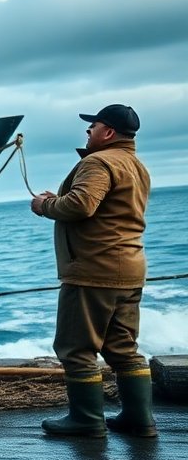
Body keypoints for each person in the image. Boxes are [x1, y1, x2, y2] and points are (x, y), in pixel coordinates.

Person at [31, 104, 153, 438]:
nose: (88, 132)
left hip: (94, 271)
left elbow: (81, 205)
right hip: (129, 268)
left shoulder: (99, 162)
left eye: (93, 127)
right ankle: (139, 419)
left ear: (109, 132)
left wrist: (45, 206)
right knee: (123, 348)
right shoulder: (135, 165)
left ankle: (86, 420)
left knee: (76, 348)